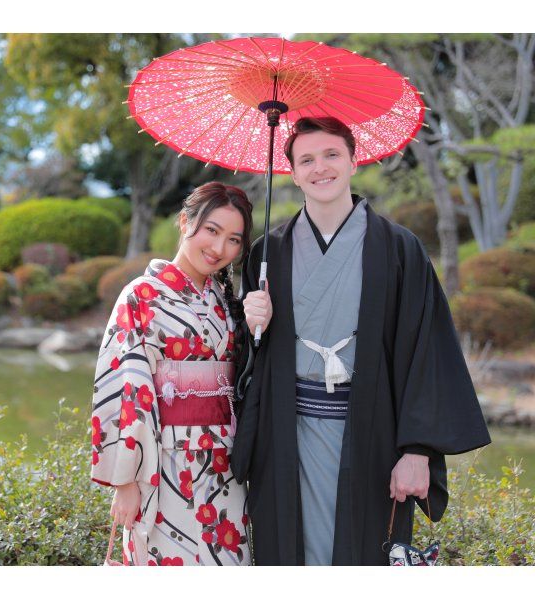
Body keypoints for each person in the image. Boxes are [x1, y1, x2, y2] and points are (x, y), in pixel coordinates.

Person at [231, 117, 491, 566]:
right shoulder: (266, 253)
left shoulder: (399, 248)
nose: (321, 168)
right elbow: (243, 362)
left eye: (332, 154)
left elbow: (426, 351)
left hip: (373, 435)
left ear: (354, 161)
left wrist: (417, 451)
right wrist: (253, 324)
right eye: (306, 159)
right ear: (292, 173)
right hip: (286, 436)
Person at [90, 182, 267, 566]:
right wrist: (125, 480)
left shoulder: (227, 303)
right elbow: (125, 389)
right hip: (163, 463)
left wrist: (255, 328)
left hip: (225, 464)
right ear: (185, 221)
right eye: (212, 230)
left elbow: (245, 382)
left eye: (234, 239)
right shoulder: (141, 295)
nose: (219, 249)